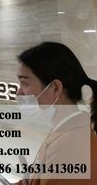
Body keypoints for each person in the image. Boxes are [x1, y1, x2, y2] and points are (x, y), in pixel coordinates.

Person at [15, 42, 97, 185]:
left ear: (55, 88)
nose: (18, 93)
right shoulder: (65, 130)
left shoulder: (69, 146)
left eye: (25, 83)